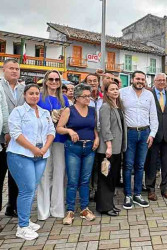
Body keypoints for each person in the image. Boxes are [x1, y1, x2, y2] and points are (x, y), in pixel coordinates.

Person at [7, 84, 55, 240]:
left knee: (31, 189)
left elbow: (51, 131)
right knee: (26, 190)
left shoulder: (44, 112)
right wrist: (33, 149)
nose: (34, 96)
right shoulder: (18, 111)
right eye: (31, 93)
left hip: (41, 155)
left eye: (37, 93)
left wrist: (44, 148)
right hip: (21, 155)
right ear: (25, 95)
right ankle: (22, 227)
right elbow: (15, 133)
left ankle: (26, 220)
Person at [56, 83, 99, 225]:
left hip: (89, 149)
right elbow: (59, 128)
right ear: (76, 97)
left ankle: (84, 208)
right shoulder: (69, 110)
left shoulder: (93, 110)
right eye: (85, 96)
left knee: (85, 180)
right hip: (73, 148)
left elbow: (94, 128)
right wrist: (70, 131)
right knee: (73, 181)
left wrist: (97, 138)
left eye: (89, 96)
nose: (88, 98)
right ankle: (70, 210)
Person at [120, 71, 158, 209]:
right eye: (138, 78)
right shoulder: (122, 92)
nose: (140, 81)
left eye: (142, 79)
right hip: (129, 133)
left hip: (144, 133)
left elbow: (153, 116)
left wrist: (152, 134)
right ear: (132, 79)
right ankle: (128, 195)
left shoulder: (149, 95)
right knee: (128, 165)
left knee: (140, 165)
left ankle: (137, 194)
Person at [37, 70, 69, 221]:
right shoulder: (39, 97)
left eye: (57, 79)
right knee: (44, 174)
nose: (54, 82)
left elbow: (69, 118)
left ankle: (57, 208)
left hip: (60, 139)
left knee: (60, 173)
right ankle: (43, 210)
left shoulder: (64, 99)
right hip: (43, 140)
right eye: (51, 79)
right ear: (46, 80)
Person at [96, 82, 127, 216]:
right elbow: (105, 128)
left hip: (117, 148)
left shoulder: (117, 106)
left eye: (116, 89)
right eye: (112, 89)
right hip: (108, 149)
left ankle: (110, 204)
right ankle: (104, 207)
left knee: (112, 178)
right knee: (105, 179)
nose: (115, 91)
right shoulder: (105, 107)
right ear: (106, 92)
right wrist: (109, 146)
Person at [144, 73, 167, 201]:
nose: (162, 82)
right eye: (159, 80)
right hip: (153, 134)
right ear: (154, 81)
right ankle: (150, 189)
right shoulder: (148, 95)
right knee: (151, 163)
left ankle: (164, 188)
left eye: (164, 80)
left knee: (166, 163)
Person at [0, 58, 23, 217]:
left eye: (17, 68)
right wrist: (7, 131)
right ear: (4, 70)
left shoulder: (23, 88)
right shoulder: (0, 87)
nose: (14, 71)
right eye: (11, 68)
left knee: (16, 176)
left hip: (19, 140)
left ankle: (12, 206)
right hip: (3, 138)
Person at [83, 73, 103, 201]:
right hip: (88, 134)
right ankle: (88, 190)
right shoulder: (83, 98)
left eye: (95, 80)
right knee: (89, 164)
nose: (92, 83)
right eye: (89, 81)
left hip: (102, 134)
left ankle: (97, 189)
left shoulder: (103, 98)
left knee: (99, 163)